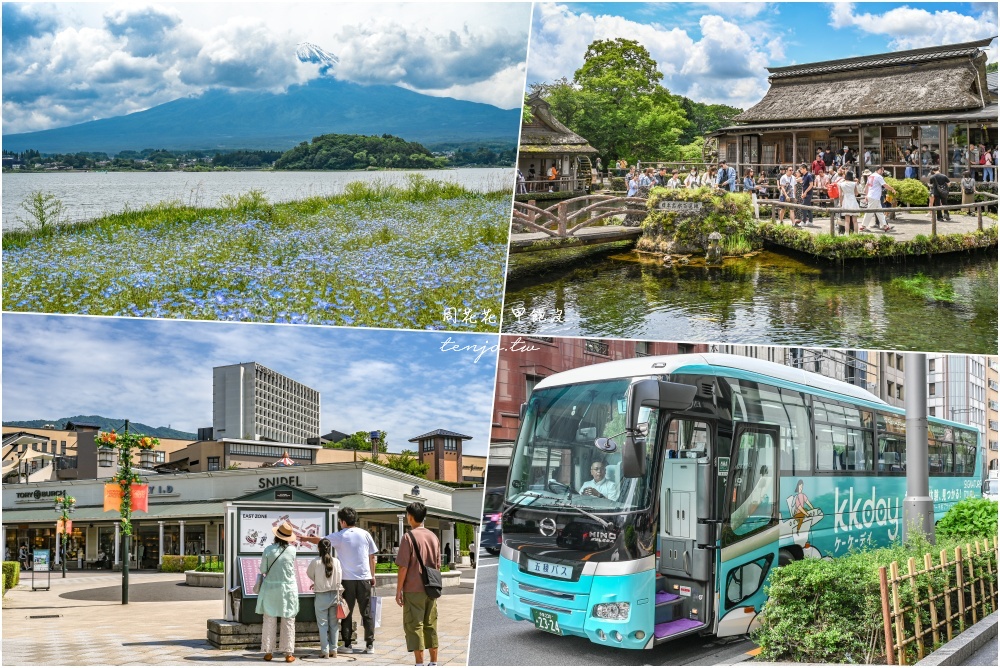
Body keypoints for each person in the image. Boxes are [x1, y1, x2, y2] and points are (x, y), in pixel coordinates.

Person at [298, 507, 378, 654]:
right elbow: (372, 557)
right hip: (365, 578)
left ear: (342, 521)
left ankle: (347, 645)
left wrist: (305, 538)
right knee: (366, 612)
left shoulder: (341, 535)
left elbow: (321, 540)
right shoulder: (365, 534)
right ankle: (370, 645)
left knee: (346, 611)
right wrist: (372, 576)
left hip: (347, 580)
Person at [395, 502, 441, 667]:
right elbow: (437, 565)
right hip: (432, 588)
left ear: (410, 516)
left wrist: (398, 590)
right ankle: (434, 662)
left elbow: (403, 567)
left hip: (414, 589)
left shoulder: (408, 537)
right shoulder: (434, 537)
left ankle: (419, 663)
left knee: (415, 625)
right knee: (431, 624)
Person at [257, 521, 299, 663]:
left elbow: (263, 570)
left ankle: (268, 652)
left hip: (271, 588)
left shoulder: (268, 550)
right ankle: (288, 653)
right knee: (288, 620)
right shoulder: (292, 550)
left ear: (276, 535)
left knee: (269, 619)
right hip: (288, 588)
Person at [307, 538, 343, 659]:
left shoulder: (315, 562)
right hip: (334, 595)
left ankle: (325, 651)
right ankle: (334, 649)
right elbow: (340, 577)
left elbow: (310, 574)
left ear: (319, 548)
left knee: (323, 625)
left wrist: (317, 581)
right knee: (334, 625)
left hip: (321, 595)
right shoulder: (336, 561)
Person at [861, 165, 896, 232]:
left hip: (872, 196)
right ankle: (863, 226)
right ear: (879, 170)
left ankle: (885, 226)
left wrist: (866, 195)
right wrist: (892, 189)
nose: (883, 172)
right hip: (874, 196)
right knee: (869, 212)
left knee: (879, 212)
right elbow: (885, 185)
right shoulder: (878, 176)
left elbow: (866, 187)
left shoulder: (871, 176)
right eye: (882, 170)